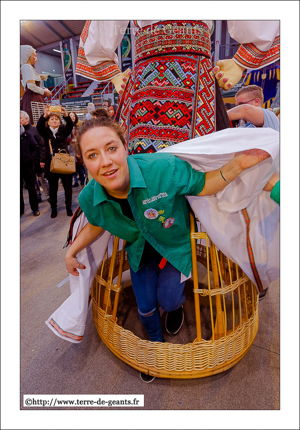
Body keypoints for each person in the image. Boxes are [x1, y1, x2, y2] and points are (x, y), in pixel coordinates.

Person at [65, 114, 270, 381]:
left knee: (170, 299)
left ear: (125, 146)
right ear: (83, 162)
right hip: (140, 252)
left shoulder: (163, 169)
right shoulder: (89, 197)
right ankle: (155, 344)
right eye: (92, 155)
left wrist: (236, 166)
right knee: (145, 307)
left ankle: (174, 310)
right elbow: (95, 223)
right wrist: (71, 251)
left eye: (111, 148)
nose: (105, 162)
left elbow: (204, 184)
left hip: (173, 246)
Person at [37, 105, 74, 218]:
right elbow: (39, 126)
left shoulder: (63, 130)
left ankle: (68, 207)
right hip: (51, 163)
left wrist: (65, 115)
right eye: (52, 119)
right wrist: (45, 115)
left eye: (56, 119)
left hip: (64, 162)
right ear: (48, 122)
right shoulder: (45, 131)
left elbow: (70, 125)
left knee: (68, 187)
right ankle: (54, 208)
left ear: (59, 121)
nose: (54, 121)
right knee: (53, 189)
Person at [20, 110, 50, 203]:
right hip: (27, 164)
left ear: (26, 119)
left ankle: (48, 195)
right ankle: (38, 195)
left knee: (42, 179)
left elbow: (41, 145)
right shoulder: (19, 131)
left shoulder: (34, 129)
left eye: (20, 118)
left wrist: (42, 160)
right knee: (33, 182)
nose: (18, 120)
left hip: (37, 161)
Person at [20, 45, 52, 124]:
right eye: (34, 55)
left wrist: (39, 77)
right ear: (29, 55)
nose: (36, 58)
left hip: (33, 97)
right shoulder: (26, 67)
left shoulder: (28, 67)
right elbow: (31, 86)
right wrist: (44, 91)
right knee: (37, 121)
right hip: (32, 98)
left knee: (39, 120)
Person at [20, 124, 40, 217]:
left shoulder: (27, 135)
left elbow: (36, 148)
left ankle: (35, 208)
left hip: (28, 167)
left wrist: (31, 159)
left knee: (31, 188)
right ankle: (20, 210)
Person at [68, 111, 86, 188]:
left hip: (77, 150)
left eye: (73, 116)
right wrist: (70, 141)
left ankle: (83, 184)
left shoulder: (78, 127)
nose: (72, 117)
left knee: (80, 168)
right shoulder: (65, 127)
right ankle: (75, 182)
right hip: (70, 150)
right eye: (70, 116)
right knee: (72, 168)